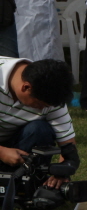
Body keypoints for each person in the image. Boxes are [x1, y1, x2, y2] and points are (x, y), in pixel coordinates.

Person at [0, 58, 80, 187]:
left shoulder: (52, 94)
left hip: (14, 144)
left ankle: (29, 183)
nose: (42, 109)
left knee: (39, 129)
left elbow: (68, 146)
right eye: (39, 104)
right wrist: (1, 152)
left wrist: (62, 173)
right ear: (26, 87)